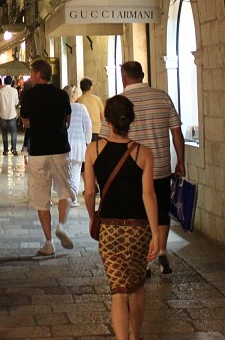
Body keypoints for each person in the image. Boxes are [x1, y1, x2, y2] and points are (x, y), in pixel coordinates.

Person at [84, 95, 159, 340]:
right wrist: (155, 234)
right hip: (138, 228)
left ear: (107, 119)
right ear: (131, 120)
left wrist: (92, 216)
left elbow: (89, 192)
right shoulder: (143, 153)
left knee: (118, 290)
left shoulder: (94, 149)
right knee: (136, 287)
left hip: (109, 229)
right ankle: (135, 336)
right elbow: (148, 195)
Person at [105, 61, 185, 275]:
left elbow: (108, 139)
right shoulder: (162, 97)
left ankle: (143, 258)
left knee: (139, 212)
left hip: (132, 169)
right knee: (161, 210)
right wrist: (181, 161)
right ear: (142, 75)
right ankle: (161, 251)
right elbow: (176, 132)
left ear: (123, 78)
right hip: (160, 166)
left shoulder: (118, 103)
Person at [20, 58, 74, 257]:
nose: (30, 77)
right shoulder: (61, 94)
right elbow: (67, 119)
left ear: (38, 75)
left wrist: (34, 124)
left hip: (38, 150)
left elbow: (26, 121)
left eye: (32, 73)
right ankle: (62, 225)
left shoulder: (29, 95)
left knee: (41, 197)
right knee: (65, 190)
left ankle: (49, 243)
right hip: (60, 147)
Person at [64, 85, 93, 207]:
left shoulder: (61, 108)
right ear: (73, 95)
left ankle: (65, 197)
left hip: (64, 144)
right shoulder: (81, 108)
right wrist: (88, 142)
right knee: (75, 172)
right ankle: (73, 198)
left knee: (66, 173)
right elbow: (88, 126)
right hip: (78, 144)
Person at [0, 75, 20, 155]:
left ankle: (5, 150)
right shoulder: (14, 91)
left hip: (3, 114)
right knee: (13, 132)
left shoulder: (0, 91)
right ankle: (13, 149)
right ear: (11, 82)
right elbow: (16, 102)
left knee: (4, 133)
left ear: (4, 82)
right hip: (12, 114)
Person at [77, 78, 104, 142]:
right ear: (91, 87)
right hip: (97, 130)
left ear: (81, 88)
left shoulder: (78, 100)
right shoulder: (97, 99)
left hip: (84, 131)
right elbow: (102, 116)